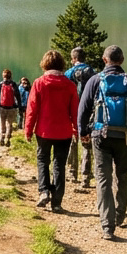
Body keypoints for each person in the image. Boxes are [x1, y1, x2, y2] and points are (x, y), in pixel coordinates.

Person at [78, 45, 127, 240]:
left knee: (103, 178)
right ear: (122, 60)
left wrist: (83, 132)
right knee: (122, 176)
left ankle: (107, 226)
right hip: (125, 137)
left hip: (101, 135)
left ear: (104, 59)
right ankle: (119, 216)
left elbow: (83, 109)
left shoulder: (94, 80)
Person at [23, 50, 77, 212]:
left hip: (44, 131)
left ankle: (44, 191)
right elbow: (75, 111)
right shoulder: (69, 85)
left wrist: (28, 130)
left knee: (42, 160)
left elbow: (31, 109)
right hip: (64, 132)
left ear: (45, 64)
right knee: (59, 165)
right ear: (61, 65)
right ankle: (57, 202)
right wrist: (77, 130)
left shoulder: (39, 83)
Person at [65, 48, 96, 190]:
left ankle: (72, 172)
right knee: (86, 143)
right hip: (88, 112)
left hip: (72, 112)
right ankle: (86, 176)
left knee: (73, 141)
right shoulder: (92, 72)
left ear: (73, 59)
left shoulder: (68, 73)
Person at [0, 69, 19, 147]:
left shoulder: (1, 84)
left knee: (2, 123)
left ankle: (2, 138)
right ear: (10, 76)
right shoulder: (14, 84)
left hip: (2, 107)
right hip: (11, 107)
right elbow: (18, 96)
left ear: (3, 76)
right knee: (9, 123)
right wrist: (19, 106)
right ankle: (8, 138)